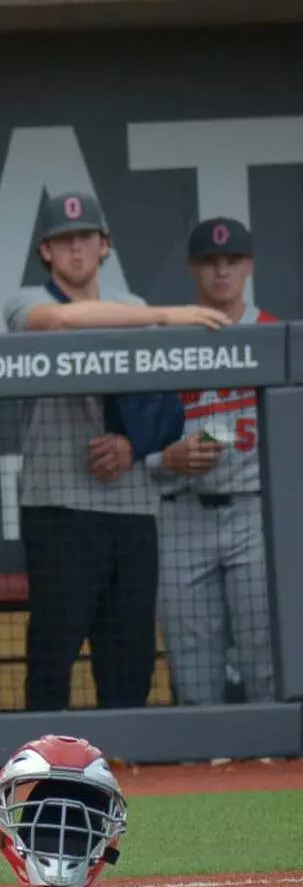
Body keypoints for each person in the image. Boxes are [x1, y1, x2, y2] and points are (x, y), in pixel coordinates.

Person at [3, 191, 229, 711]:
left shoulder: (135, 308)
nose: (76, 249)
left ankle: (126, 775)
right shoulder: (25, 300)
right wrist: (165, 316)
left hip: (131, 507)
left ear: (104, 245)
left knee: (129, 659)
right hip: (58, 506)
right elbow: (57, 321)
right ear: (46, 251)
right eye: (64, 240)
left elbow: (171, 412)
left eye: (86, 238)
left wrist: (133, 444)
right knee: (52, 654)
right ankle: (44, 773)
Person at [154, 217, 276, 705]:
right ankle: (201, 770)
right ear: (192, 268)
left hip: (256, 510)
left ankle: (278, 765)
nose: (221, 271)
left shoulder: (274, 333)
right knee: (192, 663)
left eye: (232, 261)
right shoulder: (165, 342)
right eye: (210, 262)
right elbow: (133, 438)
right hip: (184, 510)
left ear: (248, 265)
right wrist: (168, 457)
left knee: (269, 653)